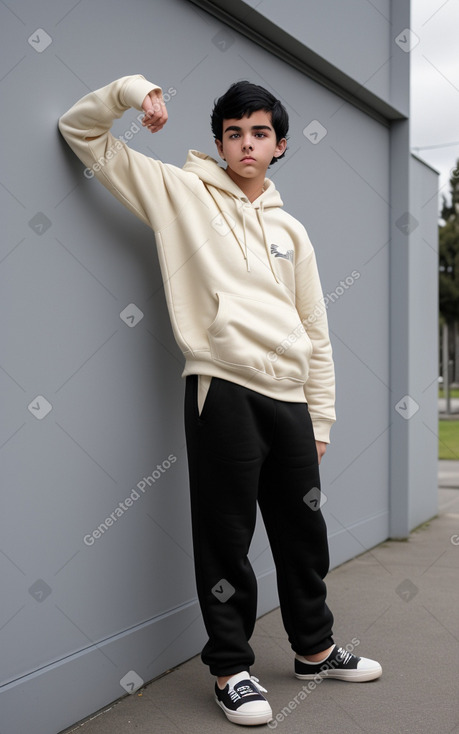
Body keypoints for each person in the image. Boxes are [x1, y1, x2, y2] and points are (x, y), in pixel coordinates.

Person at [58, 74, 382, 727]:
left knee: (303, 536)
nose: (244, 143)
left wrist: (319, 414)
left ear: (280, 145)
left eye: (258, 132)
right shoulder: (179, 193)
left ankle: (314, 651)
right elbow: (80, 133)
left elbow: (315, 329)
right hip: (221, 389)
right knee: (225, 539)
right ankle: (231, 669)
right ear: (218, 141)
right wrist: (130, 91)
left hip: (290, 400)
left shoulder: (292, 230)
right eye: (232, 132)